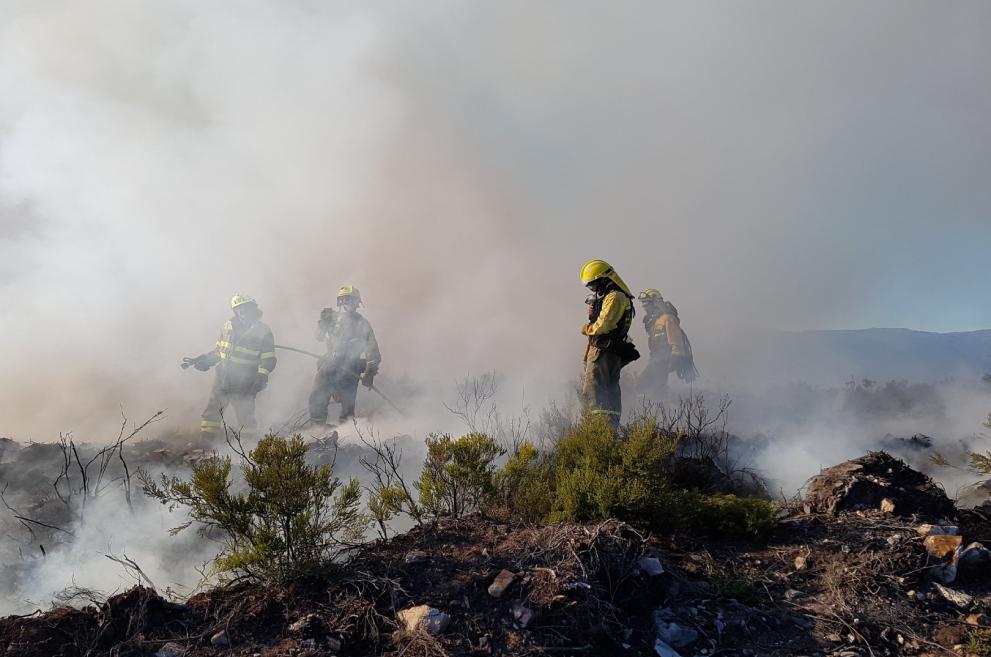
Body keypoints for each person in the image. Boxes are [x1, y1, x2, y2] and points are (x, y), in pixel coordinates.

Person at [183, 294, 276, 438]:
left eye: (245, 307)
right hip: (223, 376)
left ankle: (247, 444)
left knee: (245, 414)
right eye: (238, 308)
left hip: (246, 380)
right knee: (213, 410)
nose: (242, 311)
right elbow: (220, 351)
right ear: (235, 310)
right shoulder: (227, 326)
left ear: (253, 308)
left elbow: (269, 358)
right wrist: (204, 360)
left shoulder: (263, 330)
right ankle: (207, 441)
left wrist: (262, 376)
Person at [306, 285, 381, 427]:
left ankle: (347, 434)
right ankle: (316, 430)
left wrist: (370, 372)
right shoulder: (331, 319)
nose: (348, 303)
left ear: (357, 303)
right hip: (329, 365)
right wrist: (322, 323)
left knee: (347, 406)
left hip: (350, 370)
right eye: (345, 299)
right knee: (317, 397)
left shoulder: (362, 324)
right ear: (339, 301)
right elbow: (319, 337)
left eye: (351, 300)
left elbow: (373, 352)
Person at [579, 260, 639, 426]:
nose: (593, 290)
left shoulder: (615, 296)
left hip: (603, 352)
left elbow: (605, 325)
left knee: (594, 392)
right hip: (607, 351)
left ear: (603, 279)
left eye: (593, 285)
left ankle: (598, 430)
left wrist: (587, 328)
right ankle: (609, 429)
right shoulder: (613, 296)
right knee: (608, 391)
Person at [637, 288, 697, 392]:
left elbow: (676, 340)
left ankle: (653, 401)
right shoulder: (655, 321)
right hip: (655, 359)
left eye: (646, 304)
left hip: (663, 360)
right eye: (643, 304)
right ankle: (657, 401)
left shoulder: (668, 318)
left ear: (655, 303)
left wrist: (675, 357)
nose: (644, 307)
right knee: (655, 387)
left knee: (643, 384)